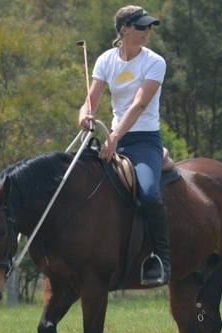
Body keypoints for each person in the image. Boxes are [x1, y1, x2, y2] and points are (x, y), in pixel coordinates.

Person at [78, 5, 169, 285]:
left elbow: (140, 104)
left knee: (150, 195)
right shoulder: (106, 60)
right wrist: (84, 115)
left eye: (149, 26)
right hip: (113, 137)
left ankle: (161, 258)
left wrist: (114, 136)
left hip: (143, 140)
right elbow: (91, 99)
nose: (147, 32)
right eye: (141, 27)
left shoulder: (155, 62)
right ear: (124, 30)